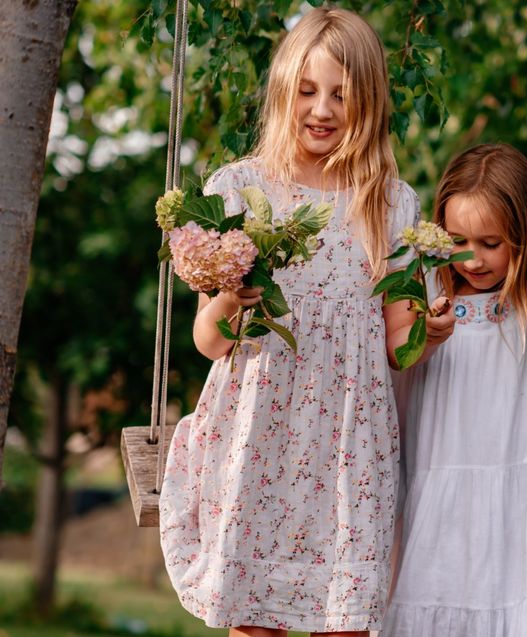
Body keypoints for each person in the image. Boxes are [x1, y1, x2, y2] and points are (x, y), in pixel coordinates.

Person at [159, 7, 454, 636]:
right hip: (260, 434)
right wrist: (225, 306)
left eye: (341, 96)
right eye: (308, 91)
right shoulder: (240, 191)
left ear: (368, 101)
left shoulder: (388, 203)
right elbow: (208, 343)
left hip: (349, 447)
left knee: (343, 620)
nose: (322, 110)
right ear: (284, 93)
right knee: (256, 618)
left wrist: (430, 332)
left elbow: (400, 342)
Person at [381, 144, 527, 636]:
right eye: (458, 240)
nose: (473, 258)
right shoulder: (427, 294)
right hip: (440, 489)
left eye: (492, 242)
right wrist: (426, 334)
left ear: (524, 236)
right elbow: (395, 356)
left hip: (520, 501)